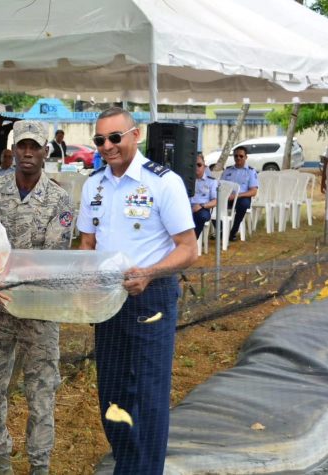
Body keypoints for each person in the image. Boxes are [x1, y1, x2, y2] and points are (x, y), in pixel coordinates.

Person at [78, 107, 197, 475]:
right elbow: (86, 243)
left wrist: (150, 272)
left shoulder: (163, 183)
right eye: (100, 140)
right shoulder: (93, 184)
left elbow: (188, 249)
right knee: (112, 393)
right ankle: (127, 465)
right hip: (108, 300)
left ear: (136, 134)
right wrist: (85, 281)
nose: (108, 147)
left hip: (150, 298)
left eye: (115, 137)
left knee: (147, 395)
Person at [0, 120, 73, 475]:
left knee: (42, 390)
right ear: (13, 149)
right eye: (22, 146)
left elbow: (51, 257)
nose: (28, 153)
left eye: (35, 147)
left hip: (40, 309)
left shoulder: (59, 198)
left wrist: (5, 267)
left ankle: (39, 464)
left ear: (47, 151)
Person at [220, 146, 258, 242]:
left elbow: (253, 191)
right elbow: (220, 186)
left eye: (241, 156)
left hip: (241, 198)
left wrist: (236, 196)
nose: (238, 158)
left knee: (244, 204)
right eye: (236, 156)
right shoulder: (227, 171)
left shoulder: (250, 171)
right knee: (211, 204)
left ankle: (233, 231)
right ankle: (220, 230)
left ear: (246, 157)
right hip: (226, 198)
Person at [190, 156, 217, 238]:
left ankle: (192, 241)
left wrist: (201, 206)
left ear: (204, 167)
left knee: (202, 216)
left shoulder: (211, 181)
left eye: (199, 165)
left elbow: (215, 201)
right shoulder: (186, 179)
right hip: (187, 207)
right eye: (193, 165)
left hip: (202, 208)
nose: (196, 167)